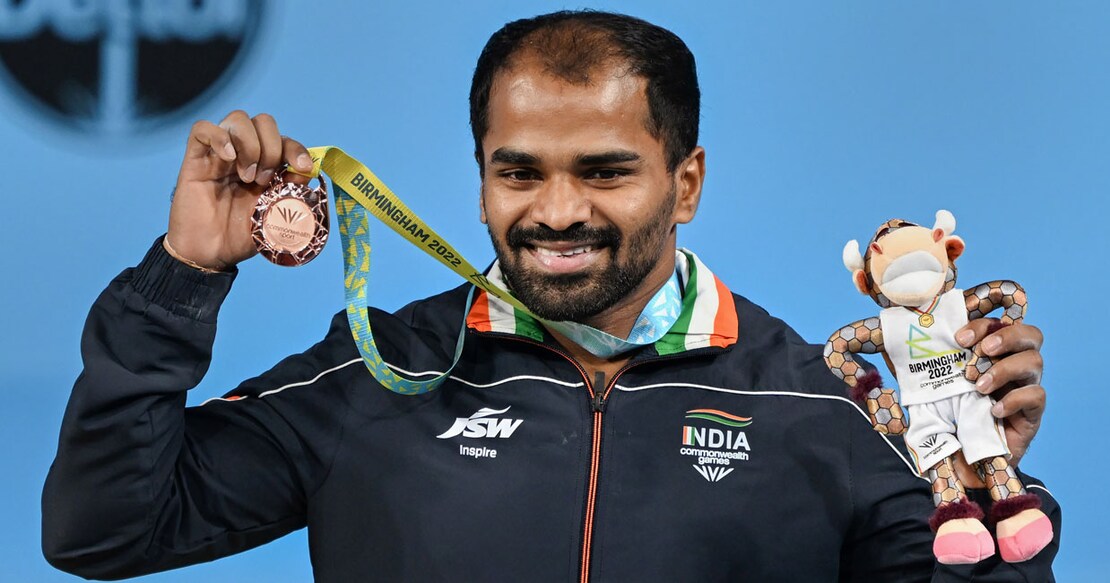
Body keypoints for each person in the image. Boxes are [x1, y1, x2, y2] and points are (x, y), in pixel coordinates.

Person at [42, 10, 1058, 582]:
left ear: (686, 182)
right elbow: (104, 529)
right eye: (519, 171)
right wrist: (182, 277)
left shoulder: (815, 403)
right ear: (480, 176)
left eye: (606, 171)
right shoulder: (380, 373)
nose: (556, 211)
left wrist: (986, 482)